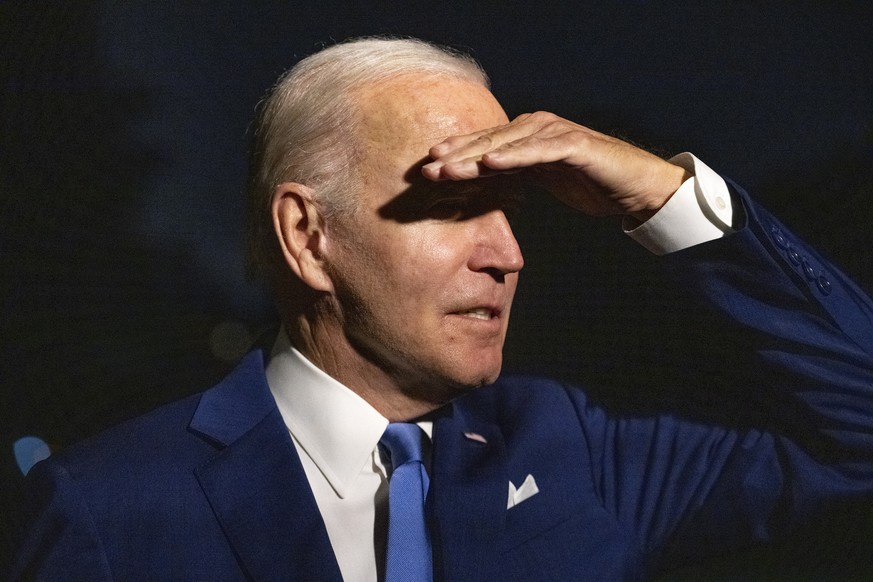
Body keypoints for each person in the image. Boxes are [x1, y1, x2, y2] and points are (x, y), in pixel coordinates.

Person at [9, 36, 873, 581]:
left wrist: (664, 196)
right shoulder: (110, 509)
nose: (508, 254)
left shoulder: (569, 447)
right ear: (308, 237)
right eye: (458, 208)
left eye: (515, 211)